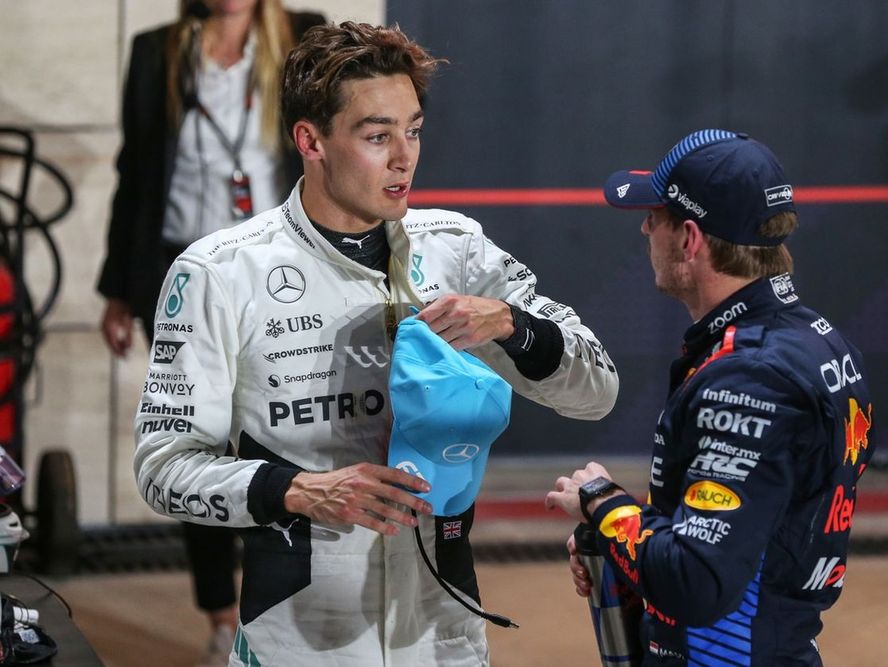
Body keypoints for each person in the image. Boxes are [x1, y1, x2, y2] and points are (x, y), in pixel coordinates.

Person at [132, 20, 619, 666]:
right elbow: (162, 467)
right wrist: (300, 489)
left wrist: (511, 324)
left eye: (413, 129)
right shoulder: (219, 273)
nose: (404, 157)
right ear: (310, 140)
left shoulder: (458, 248)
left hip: (447, 640)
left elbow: (599, 391)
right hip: (297, 644)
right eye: (376, 135)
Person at [545, 129, 875, 665]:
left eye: (656, 214)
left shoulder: (748, 378)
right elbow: (753, 527)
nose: (647, 226)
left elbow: (696, 579)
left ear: (690, 239)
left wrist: (604, 504)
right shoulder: (820, 344)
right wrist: (626, 544)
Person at [96, 1, 324, 664]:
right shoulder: (156, 52)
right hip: (176, 275)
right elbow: (134, 172)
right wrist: (116, 287)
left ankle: (280, 609)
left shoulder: (303, 35)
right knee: (198, 442)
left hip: (273, 270)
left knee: (275, 438)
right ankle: (222, 613)